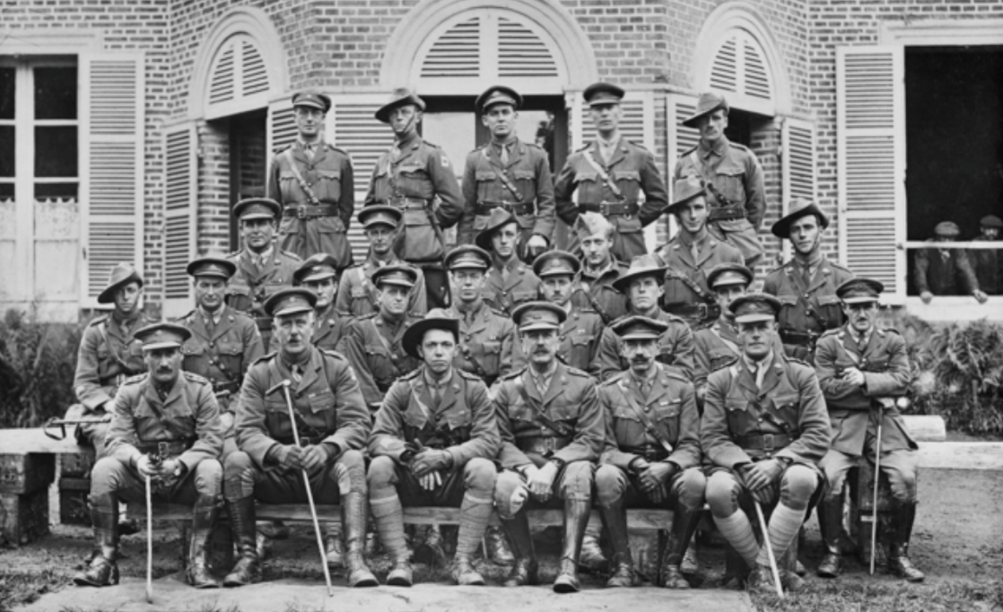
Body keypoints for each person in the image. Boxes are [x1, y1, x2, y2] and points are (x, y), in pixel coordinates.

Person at [222, 288, 376, 588]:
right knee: (237, 462)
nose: (294, 332)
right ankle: (248, 557)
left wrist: (328, 449)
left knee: (354, 459)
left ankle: (355, 558)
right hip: (278, 476)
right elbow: (246, 430)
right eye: (285, 324)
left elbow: (358, 423)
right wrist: (277, 452)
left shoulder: (336, 367)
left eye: (300, 323)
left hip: (323, 476)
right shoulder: (260, 373)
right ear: (275, 329)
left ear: (314, 325)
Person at [73, 322, 224, 589]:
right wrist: (138, 460)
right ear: (144, 357)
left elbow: (212, 439)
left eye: (170, 354)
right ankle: (104, 561)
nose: (164, 362)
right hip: (142, 478)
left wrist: (180, 464)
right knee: (104, 469)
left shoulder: (200, 390)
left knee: (211, 469)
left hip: (182, 479)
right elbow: (115, 439)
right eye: (156, 355)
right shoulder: (130, 391)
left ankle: (198, 562)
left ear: (181, 355)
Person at [702, 293, 831, 593]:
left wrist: (779, 463)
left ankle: (760, 570)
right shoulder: (720, 380)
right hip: (740, 463)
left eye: (763, 326)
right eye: (748, 328)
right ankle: (773, 573)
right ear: (737, 332)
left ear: (775, 329)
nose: (756, 334)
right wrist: (744, 466)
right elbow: (712, 437)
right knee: (718, 490)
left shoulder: (801, 374)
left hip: (788, 461)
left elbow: (818, 433)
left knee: (801, 479)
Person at [367, 310, 500, 587]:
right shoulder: (402, 389)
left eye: (446, 345)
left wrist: (444, 457)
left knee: (484, 469)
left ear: (456, 350)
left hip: (454, 481)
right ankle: (400, 562)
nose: (439, 352)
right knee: (379, 466)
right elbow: (378, 437)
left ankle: (463, 563)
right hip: (412, 481)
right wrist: (412, 458)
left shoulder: (473, 389)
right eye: (432, 345)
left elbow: (488, 440)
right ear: (420, 350)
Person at [814, 278, 923, 582]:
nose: (862, 314)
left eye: (867, 307)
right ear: (844, 309)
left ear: (877, 308)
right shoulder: (828, 343)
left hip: (884, 424)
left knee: (904, 477)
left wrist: (862, 379)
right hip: (843, 426)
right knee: (830, 476)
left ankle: (899, 554)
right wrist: (877, 386)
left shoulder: (892, 341)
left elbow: (902, 380)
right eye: (855, 308)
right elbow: (823, 388)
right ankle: (833, 550)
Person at [492, 302, 605, 592]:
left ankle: (568, 566)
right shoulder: (506, 388)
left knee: (581, 473)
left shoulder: (583, 384)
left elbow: (591, 439)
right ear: (522, 341)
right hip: (525, 466)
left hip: (567, 468)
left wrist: (554, 465)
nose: (540, 341)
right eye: (532, 335)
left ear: (559, 338)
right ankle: (525, 563)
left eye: (547, 334)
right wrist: (528, 468)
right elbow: (501, 440)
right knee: (503, 482)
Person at [594, 316, 705, 589]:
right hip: (629, 476)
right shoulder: (607, 392)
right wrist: (637, 465)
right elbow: (603, 449)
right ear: (622, 350)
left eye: (646, 344)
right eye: (632, 345)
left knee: (695, 481)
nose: (640, 351)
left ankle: (672, 567)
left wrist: (666, 467)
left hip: (669, 475)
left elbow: (692, 446)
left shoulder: (682, 387)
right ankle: (623, 567)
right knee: (606, 476)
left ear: (658, 347)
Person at [364, 88, 463, 309]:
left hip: (423, 253)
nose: (399, 117)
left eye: (405, 112)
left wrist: (428, 224)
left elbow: (454, 203)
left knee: (427, 312)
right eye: (394, 113)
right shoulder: (382, 162)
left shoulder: (431, 154)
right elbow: (370, 206)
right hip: (388, 252)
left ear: (417, 116)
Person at [554, 82, 668, 262]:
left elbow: (659, 200)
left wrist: (634, 223)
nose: (604, 113)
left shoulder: (640, 156)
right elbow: (558, 198)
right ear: (591, 114)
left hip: (626, 237)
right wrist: (581, 223)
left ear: (620, 112)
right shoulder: (577, 159)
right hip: (587, 236)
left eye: (609, 107)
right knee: (574, 276)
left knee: (634, 280)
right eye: (598, 109)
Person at [177, 257, 263, 454]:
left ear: (226, 287)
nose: (210, 292)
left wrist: (232, 414)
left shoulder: (245, 327)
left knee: (234, 457)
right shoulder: (180, 329)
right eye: (204, 285)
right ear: (194, 286)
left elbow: (254, 381)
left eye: (216, 285)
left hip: (232, 414)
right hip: (190, 416)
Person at [460, 85, 555, 261]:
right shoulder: (474, 159)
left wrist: (540, 235)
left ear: (515, 116)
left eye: (505, 112)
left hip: (525, 237)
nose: (500, 118)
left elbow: (547, 204)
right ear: (485, 120)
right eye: (494, 113)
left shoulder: (536, 155)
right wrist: (465, 249)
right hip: (485, 238)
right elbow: (467, 211)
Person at [674, 92, 765, 267]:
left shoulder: (744, 158)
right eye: (704, 119)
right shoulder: (683, 163)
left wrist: (742, 232)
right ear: (697, 124)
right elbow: (679, 209)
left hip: (736, 243)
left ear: (725, 121)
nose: (710, 124)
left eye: (716, 118)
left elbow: (757, 206)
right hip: (697, 245)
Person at [267, 91, 355, 268]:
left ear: (322, 118)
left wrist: (331, 228)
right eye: (303, 113)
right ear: (294, 118)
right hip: (292, 241)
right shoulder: (281, 160)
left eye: (315, 113)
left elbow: (346, 207)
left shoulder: (340, 159)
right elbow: (273, 207)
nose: (309, 119)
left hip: (329, 240)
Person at [73, 263, 151, 459]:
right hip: (102, 414)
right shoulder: (95, 332)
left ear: (140, 292)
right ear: (112, 295)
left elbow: (162, 377)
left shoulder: (152, 331)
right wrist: (108, 404)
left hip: (144, 407)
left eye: (131, 290)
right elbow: (84, 382)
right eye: (120, 291)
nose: (125, 297)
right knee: (108, 440)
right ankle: (107, 486)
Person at [763, 198, 854, 363]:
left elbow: (853, 331)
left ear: (821, 231)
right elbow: (766, 332)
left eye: (808, 227)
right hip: (788, 366)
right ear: (789, 236)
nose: (802, 234)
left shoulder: (842, 278)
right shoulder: (774, 280)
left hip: (830, 364)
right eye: (795, 229)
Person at [654, 176, 744, 328]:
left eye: (698, 207)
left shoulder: (729, 255)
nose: (693, 215)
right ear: (677, 214)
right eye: (685, 209)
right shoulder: (661, 258)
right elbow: (655, 309)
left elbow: (741, 308)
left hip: (717, 338)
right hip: (677, 338)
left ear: (708, 210)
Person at [594, 254, 695, 382]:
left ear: (660, 290)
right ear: (628, 293)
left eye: (648, 283)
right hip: (626, 398)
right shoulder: (613, 332)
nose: (642, 290)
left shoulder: (678, 329)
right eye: (636, 285)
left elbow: (686, 374)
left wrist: (652, 370)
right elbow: (609, 376)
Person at [338, 264, 423, 409]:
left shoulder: (420, 328)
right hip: (374, 409)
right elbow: (360, 377)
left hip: (413, 408)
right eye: (392, 292)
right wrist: (382, 410)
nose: (398, 298)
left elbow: (424, 375)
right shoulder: (360, 329)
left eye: (404, 293)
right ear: (379, 296)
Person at [226, 197, 302, 350]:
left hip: (280, 345)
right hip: (238, 344)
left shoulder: (293, 266)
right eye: (249, 225)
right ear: (241, 230)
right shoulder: (228, 268)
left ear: (274, 227)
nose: (256, 230)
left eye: (261, 223)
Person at [441, 245, 519, 387]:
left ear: (484, 280)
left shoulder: (503, 325)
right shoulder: (438, 321)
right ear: (452, 280)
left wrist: (490, 397)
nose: (468, 282)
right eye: (462, 276)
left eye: (474, 276)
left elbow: (508, 376)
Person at [335, 205, 427, 317]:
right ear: (366, 235)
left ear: (394, 234)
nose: (379, 238)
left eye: (385, 232)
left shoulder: (413, 275)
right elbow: (342, 321)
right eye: (374, 232)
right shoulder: (351, 276)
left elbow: (417, 319)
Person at [693, 263, 755, 405]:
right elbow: (700, 390)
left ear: (746, 294)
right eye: (723, 292)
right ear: (716, 297)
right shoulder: (703, 337)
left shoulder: (767, 333)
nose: (730, 298)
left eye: (736, 290)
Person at [533, 250, 604, 373]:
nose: (556, 289)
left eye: (562, 282)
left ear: (572, 286)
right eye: (550, 283)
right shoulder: (531, 322)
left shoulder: (591, 322)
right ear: (541, 287)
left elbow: (598, 370)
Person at [475, 208, 542, 316]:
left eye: (509, 234)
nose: (504, 241)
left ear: (518, 238)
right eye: (497, 235)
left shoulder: (534, 278)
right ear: (490, 240)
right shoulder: (480, 278)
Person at [913, 220, 987, 304]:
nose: (947, 242)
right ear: (937, 237)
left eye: (951, 239)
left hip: (950, 291)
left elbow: (966, 270)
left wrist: (975, 290)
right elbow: (920, 271)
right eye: (944, 238)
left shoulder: (957, 248)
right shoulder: (926, 247)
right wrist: (923, 290)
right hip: (929, 291)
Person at [293, 253, 350, 351]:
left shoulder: (345, 325)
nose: (319, 291)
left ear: (335, 287)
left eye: (325, 284)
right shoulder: (292, 324)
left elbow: (342, 364)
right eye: (313, 285)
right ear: (303, 288)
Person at [971, 214, 1002, 296]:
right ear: (982, 229)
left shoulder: (1000, 243)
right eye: (988, 229)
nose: (991, 232)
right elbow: (971, 268)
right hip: (982, 290)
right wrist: (975, 289)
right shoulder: (975, 244)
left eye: (994, 229)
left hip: (1000, 289)